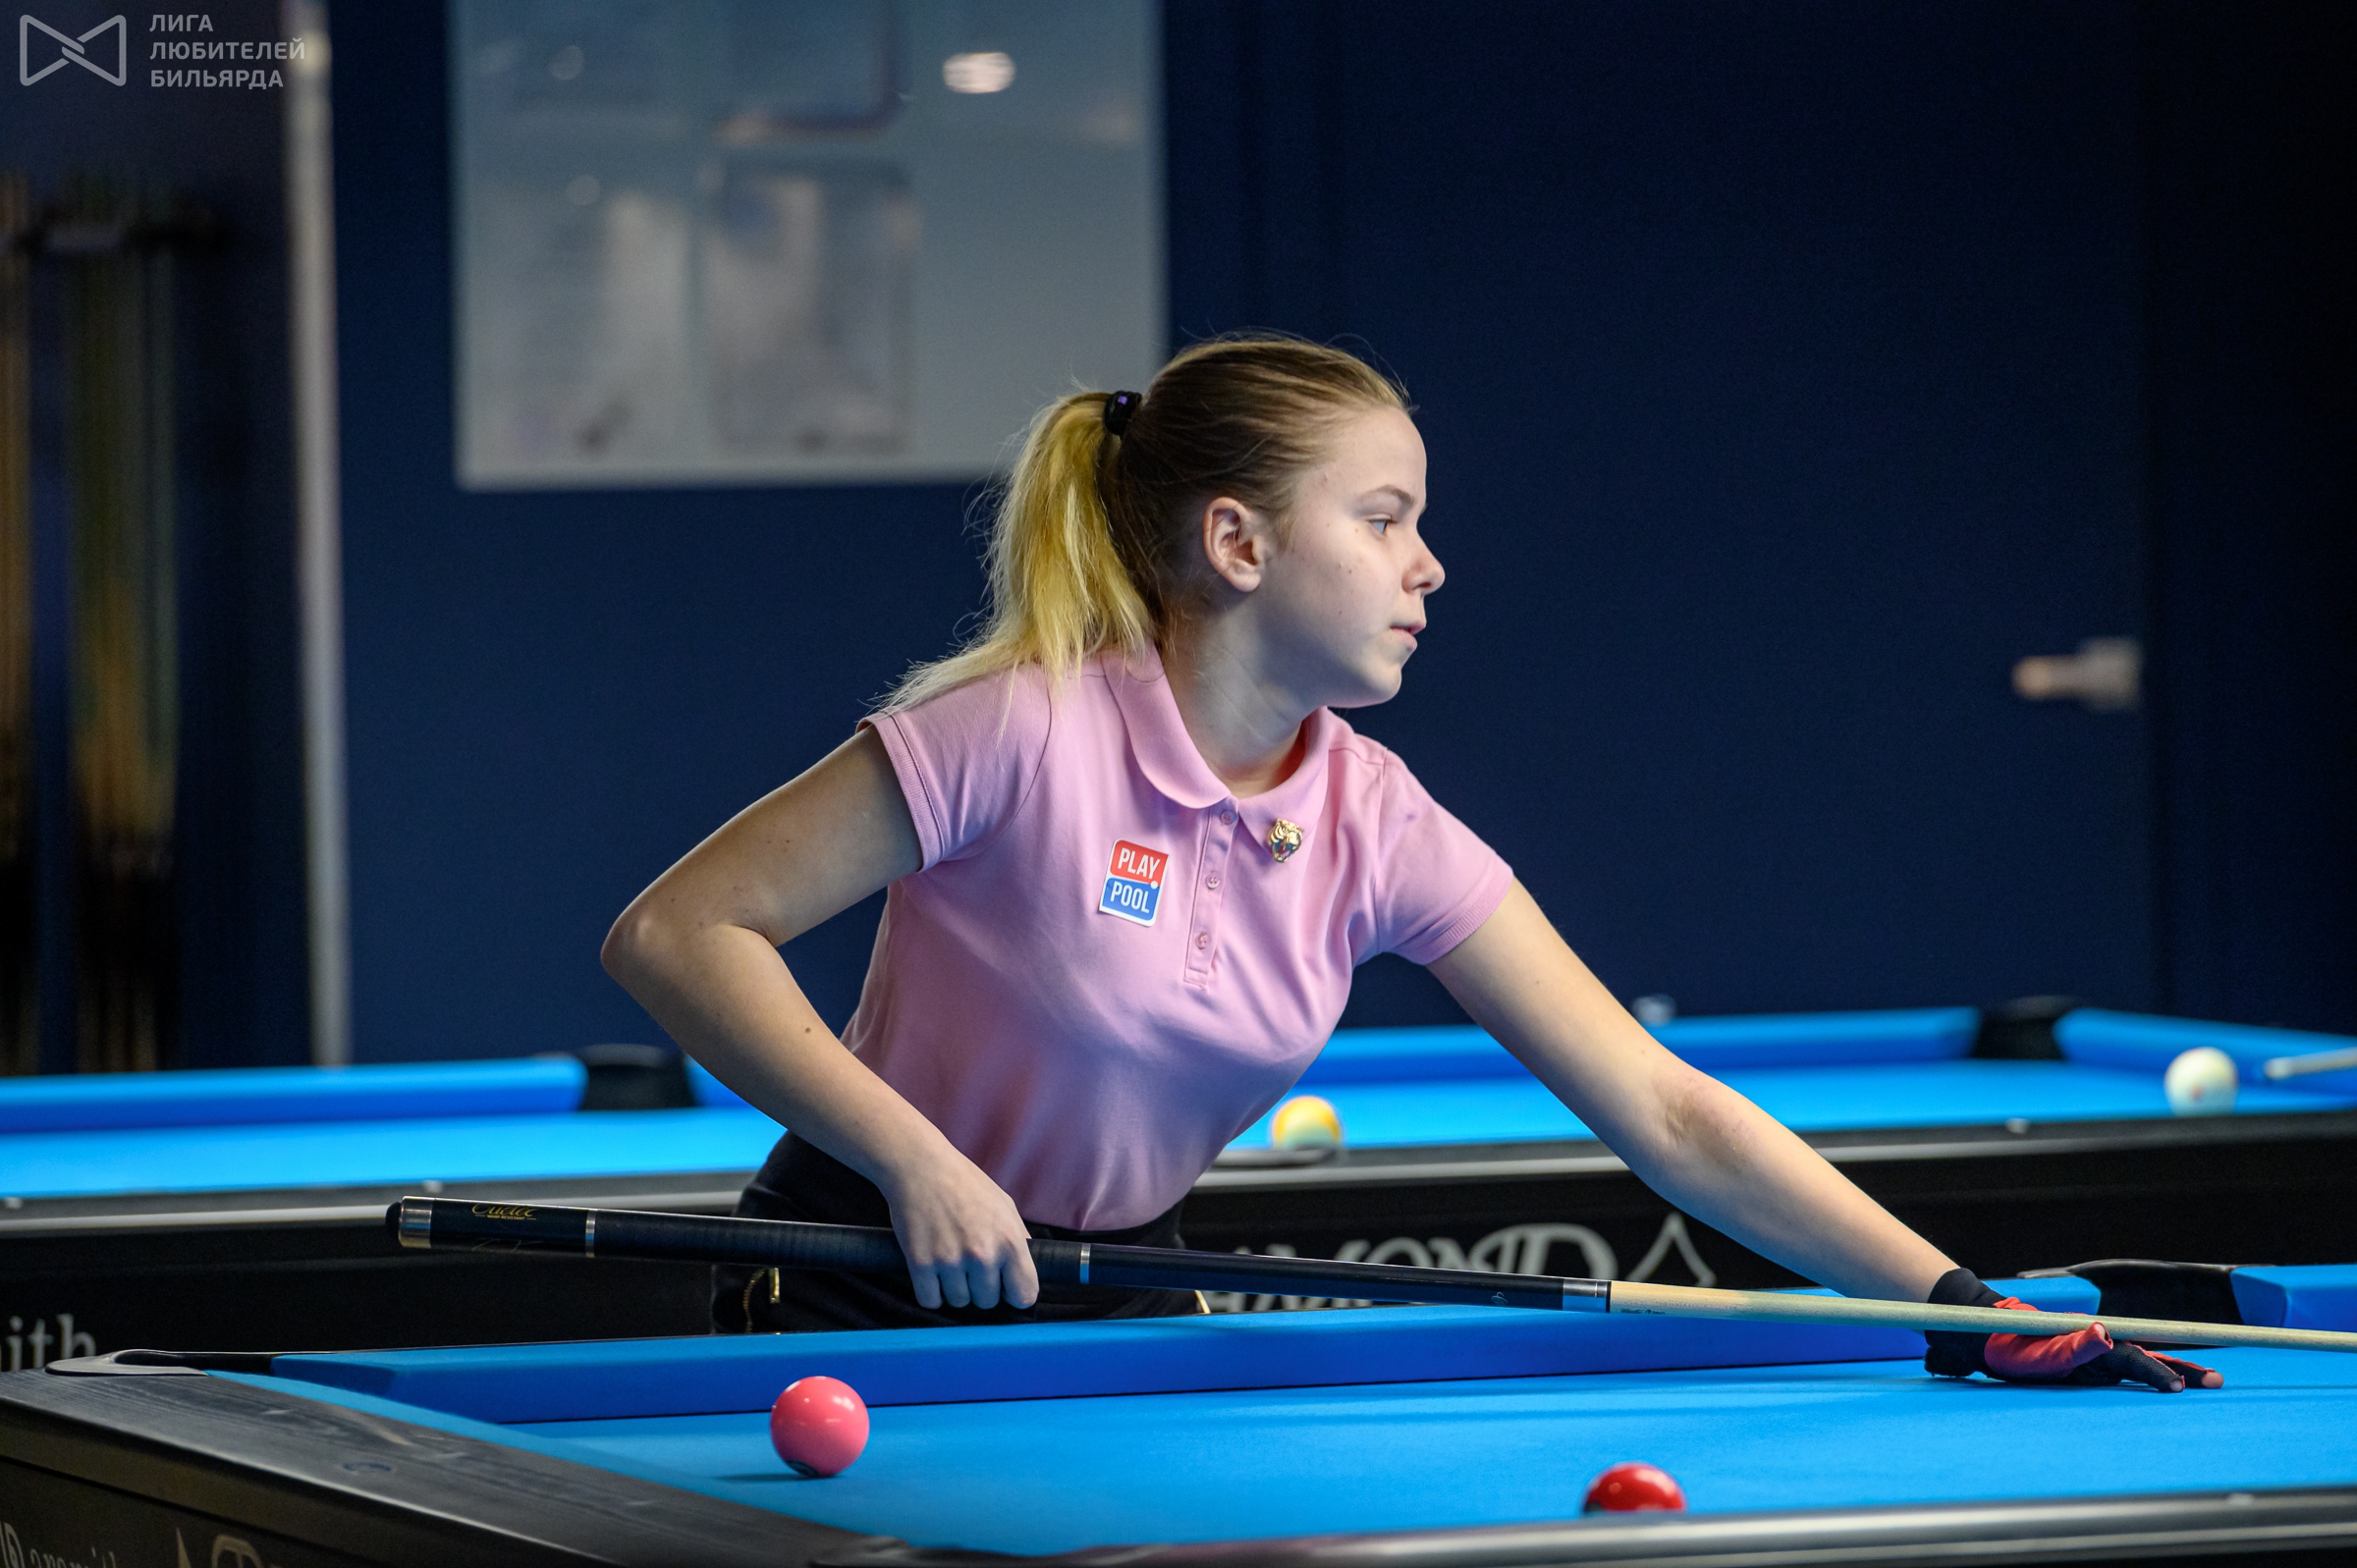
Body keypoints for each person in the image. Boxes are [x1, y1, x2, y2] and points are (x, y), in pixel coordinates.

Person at [603, 337, 2215, 1391]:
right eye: (1383, 518)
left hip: (1122, 1294)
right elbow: (680, 931)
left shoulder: (1378, 819)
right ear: (1239, 544)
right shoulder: (1017, 729)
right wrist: (917, 1160)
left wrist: (1958, 1302)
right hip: (860, 1283)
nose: (1428, 564)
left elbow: (1664, 1111)